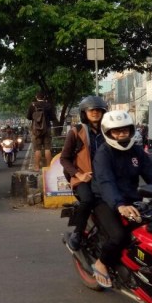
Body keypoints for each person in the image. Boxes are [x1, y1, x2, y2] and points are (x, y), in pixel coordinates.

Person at [90, 111, 152, 288]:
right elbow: (106, 182)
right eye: (116, 131)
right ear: (108, 132)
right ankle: (101, 262)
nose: (121, 134)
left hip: (131, 199)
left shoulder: (137, 152)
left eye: (125, 130)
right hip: (105, 200)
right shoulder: (104, 154)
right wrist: (119, 205)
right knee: (119, 236)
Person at [60, 96, 108, 251]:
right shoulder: (76, 132)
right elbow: (64, 159)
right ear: (84, 113)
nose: (95, 113)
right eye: (91, 110)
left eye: (98, 110)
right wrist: (78, 175)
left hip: (105, 178)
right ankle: (78, 233)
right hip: (83, 178)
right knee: (87, 200)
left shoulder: (109, 131)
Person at [27, 91, 57, 171]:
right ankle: (48, 166)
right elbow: (53, 117)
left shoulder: (32, 105)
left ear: (36, 97)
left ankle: (36, 167)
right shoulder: (48, 105)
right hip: (47, 128)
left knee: (37, 149)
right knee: (47, 148)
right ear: (44, 97)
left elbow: (29, 117)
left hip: (36, 130)